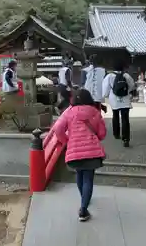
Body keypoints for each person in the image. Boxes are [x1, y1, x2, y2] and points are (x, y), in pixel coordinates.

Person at [51, 89, 107, 222]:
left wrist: (67, 141)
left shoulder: (69, 112)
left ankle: (84, 200)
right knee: (88, 179)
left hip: (75, 149)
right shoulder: (94, 112)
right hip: (92, 151)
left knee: (79, 175)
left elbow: (57, 128)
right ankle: (83, 209)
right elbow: (102, 133)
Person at [102, 60, 135, 147]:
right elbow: (132, 86)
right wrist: (127, 91)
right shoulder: (126, 75)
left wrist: (106, 95)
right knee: (125, 119)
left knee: (115, 116)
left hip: (114, 99)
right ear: (122, 67)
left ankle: (116, 134)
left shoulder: (109, 76)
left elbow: (105, 89)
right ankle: (126, 139)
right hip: (125, 99)